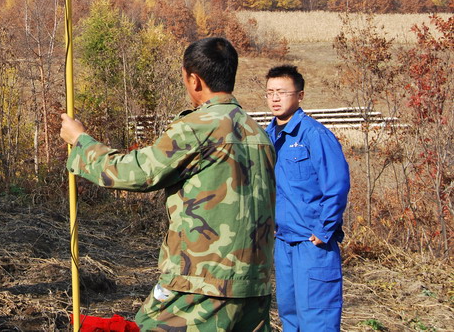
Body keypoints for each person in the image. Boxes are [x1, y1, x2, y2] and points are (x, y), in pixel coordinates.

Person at [60, 37, 276, 331]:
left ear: (194, 80)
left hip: (203, 283)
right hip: (254, 283)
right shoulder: (258, 133)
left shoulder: (199, 126)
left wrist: (81, 143)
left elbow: (138, 172)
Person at [265, 64, 350, 332]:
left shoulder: (314, 135)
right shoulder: (266, 137)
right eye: (270, 93)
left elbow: (336, 184)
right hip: (283, 242)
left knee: (317, 320)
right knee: (290, 317)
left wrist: (323, 230)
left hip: (312, 245)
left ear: (300, 95)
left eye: (282, 92)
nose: (275, 98)